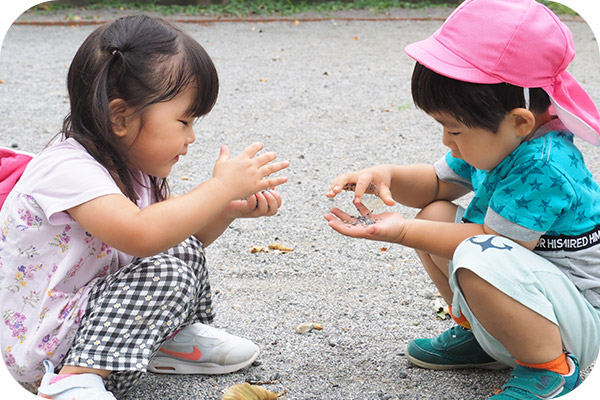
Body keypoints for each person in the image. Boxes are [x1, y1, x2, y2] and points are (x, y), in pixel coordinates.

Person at [0, 15, 289, 400]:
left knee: (180, 249)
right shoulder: (67, 169)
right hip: (44, 345)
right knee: (164, 271)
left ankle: (172, 340)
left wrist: (225, 208)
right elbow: (142, 236)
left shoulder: (133, 168)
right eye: (184, 121)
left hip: (88, 318)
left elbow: (185, 235)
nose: (191, 138)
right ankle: (72, 380)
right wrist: (218, 186)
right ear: (121, 117)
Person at [325, 0, 600, 398]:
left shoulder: (545, 166)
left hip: (575, 320)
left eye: (453, 130)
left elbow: (495, 241)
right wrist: (387, 174)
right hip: (533, 295)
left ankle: (550, 367)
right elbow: (437, 186)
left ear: (520, 121)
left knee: (475, 254)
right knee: (436, 215)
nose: (445, 140)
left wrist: (402, 231)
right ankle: (482, 334)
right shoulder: (500, 139)